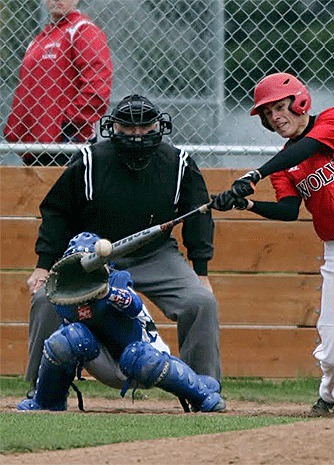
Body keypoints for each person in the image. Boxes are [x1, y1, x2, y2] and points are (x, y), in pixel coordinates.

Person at [210, 72, 334, 416]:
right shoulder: (284, 168)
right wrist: (247, 204)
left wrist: (254, 174)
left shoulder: (333, 120)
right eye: (269, 114)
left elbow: (308, 147)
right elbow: (288, 211)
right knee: (331, 346)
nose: (276, 117)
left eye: (280, 107)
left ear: (299, 102)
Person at [24, 94, 221, 399]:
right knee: (44, 301)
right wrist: (44, 264)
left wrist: (202, 271)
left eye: (145, 127)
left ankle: (205, 388)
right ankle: (42, 388)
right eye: (128, 128)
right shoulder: (90, 160)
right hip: (92, 258)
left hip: (155, 254)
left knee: (201, 302)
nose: (137, 134)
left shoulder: (178, 163)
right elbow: (58, 212)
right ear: (113, 127)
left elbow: (198, 216)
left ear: (158, 126)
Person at [18, 232, 225, 413]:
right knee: (67, 338)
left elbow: (133, 305)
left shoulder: (118, 279)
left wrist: (107, 293)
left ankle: (201, 392)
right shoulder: (65, 295)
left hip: (142, 356)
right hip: (100, 356)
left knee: (137, 357)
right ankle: (46, 401)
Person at [4, 0, 113, 166]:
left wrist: (65, 125)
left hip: (68, 145)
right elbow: (24, 93)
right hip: (35, 147)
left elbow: (98, 88)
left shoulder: (83, 30)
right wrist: (16, 132)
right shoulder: (37, 42)